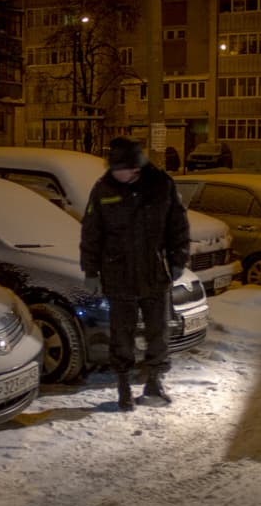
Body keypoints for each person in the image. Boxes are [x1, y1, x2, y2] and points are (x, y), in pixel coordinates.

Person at [81, 137, 192, 411]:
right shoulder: (103, 189)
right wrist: (91, 271)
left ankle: (154, 381)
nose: (117, 173)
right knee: (122, 333)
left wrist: (178, 260)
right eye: (114, 167)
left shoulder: (161, 185)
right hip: (118, 274)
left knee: (158, 331)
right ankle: (123, 385)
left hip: (155, 273)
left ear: (136, 167)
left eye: (123, 168)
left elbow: (178, 227)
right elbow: (91, 233)